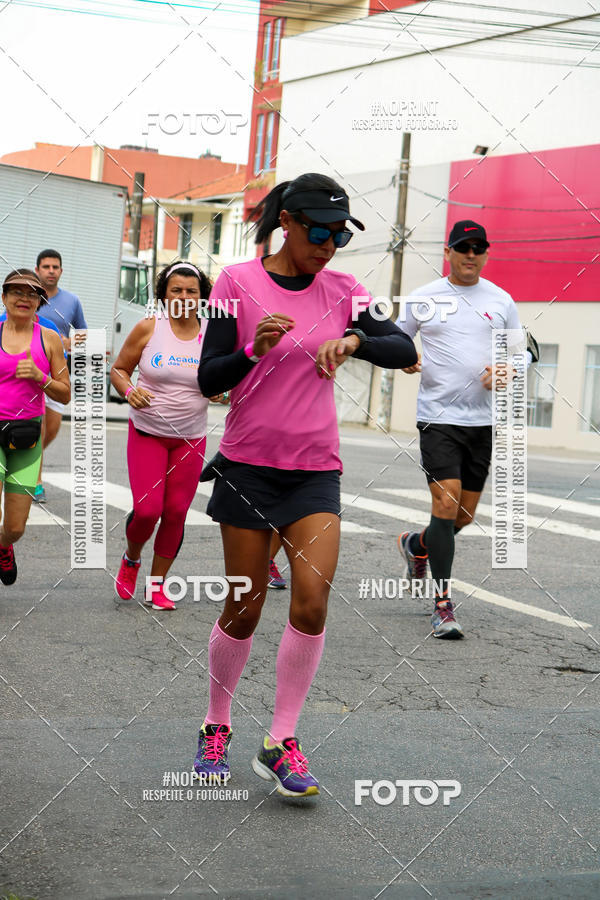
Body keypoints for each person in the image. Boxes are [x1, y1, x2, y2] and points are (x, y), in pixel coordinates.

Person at [193, 173, 417, 798]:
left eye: (339, 235)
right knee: (244, 607)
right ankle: (216, 723)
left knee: (312, 602)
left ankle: (281, 739)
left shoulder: (346, 290)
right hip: (248, 468)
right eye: (319, 231)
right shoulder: (235, 284)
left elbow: (401, 346)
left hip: (315, 470)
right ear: (286, 223)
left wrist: (355, 339)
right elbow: (208, 376)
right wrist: (252, 352)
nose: (328, 245)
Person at [398, 220, 525, 639]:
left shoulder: (501, 300)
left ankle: (418, 544)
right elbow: (397, 339)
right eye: (463, 247)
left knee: (463, 516)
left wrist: (509, 368)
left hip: (482, 422)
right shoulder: (424, 297)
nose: (471, 255)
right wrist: (404, 356)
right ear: (448, 252)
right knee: (447, 501)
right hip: (438, 418)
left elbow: (522, 353)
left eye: (478, 248)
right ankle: (442, 606)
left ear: (486, 254)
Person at [110, 261, 213, 611]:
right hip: (148, 431)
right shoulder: (149, 328)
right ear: (164, 295)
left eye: (191, 291)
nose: (184, 297)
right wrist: (129, 391)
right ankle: (132, 557)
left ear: (201, 297)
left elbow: (223, 377)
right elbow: (119, 369)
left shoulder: (212, 335)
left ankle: (157, 586)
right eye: (176, 290)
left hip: (191, 437)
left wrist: (220, 390)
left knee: (176, 512)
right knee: (147, 510)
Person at [0, 270, 70, 584]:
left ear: (39, 302)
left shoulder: (49, 338)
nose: (24, 298)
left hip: (26, 438)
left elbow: (65, 394)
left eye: (31, 294)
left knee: (15, 527)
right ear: (4, 297)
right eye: (16, 292)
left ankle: (4, 546)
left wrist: (39, 377)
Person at [34, 249, 87, 502]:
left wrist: (69, 342)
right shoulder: (29, 297)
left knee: (51, 430)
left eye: (55, 267)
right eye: (46, 267)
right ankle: (36, 482)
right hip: (31, 374)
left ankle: (22, 459)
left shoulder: (72, 301)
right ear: (37, 270)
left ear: (61, 271)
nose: (51, 271)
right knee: (39, 429)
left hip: (58, 374)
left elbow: (84, 334)